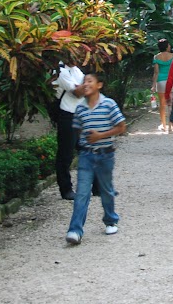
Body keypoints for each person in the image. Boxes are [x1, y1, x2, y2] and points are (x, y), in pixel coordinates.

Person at [65, 72, 127, 245]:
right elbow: (78, 129)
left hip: (105, 154)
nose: (85, 84)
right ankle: (75, 230)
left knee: (106, 190)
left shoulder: (109, 104)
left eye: (90, 81)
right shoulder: (80, 108)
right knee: (82, 193)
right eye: (84, 81)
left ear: (99, 85)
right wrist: (85, 144)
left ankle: (110, 220)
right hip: (86, 155)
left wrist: (101, 136)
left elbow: (121, 127)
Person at [53, 61, 86, 200]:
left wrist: (82, 87)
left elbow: (87, 89)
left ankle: (94, 186)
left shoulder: (76, 70)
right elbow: (78, 93)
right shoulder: (60, 71)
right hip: (67, 115)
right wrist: (85, 86)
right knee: (65, 154)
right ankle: (66, 189)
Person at [152, 39, 173, 132]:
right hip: (171, 81)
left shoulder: (156, 57)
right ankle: (171, 126)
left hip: (161, 81)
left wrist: (153, 85)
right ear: (166, 47)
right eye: (169, 45)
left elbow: (156, 72)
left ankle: (163, 125)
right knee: (171, 104)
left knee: (162, 104)